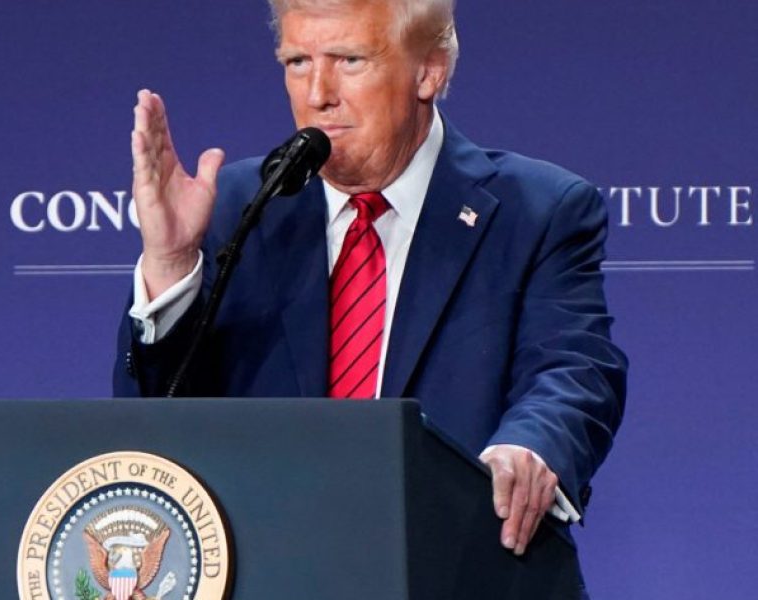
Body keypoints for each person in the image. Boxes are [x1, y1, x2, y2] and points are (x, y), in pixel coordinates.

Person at [112, 0, 627, 567]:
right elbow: (151, 430)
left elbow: (575, 369)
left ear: (429, 71)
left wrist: (529, 447)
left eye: (349, 60)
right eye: (297, 62)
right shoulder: (238, 208)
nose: (317, 94)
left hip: (462, 568)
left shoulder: (537, 210)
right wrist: (170, 261)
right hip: (274, 570)